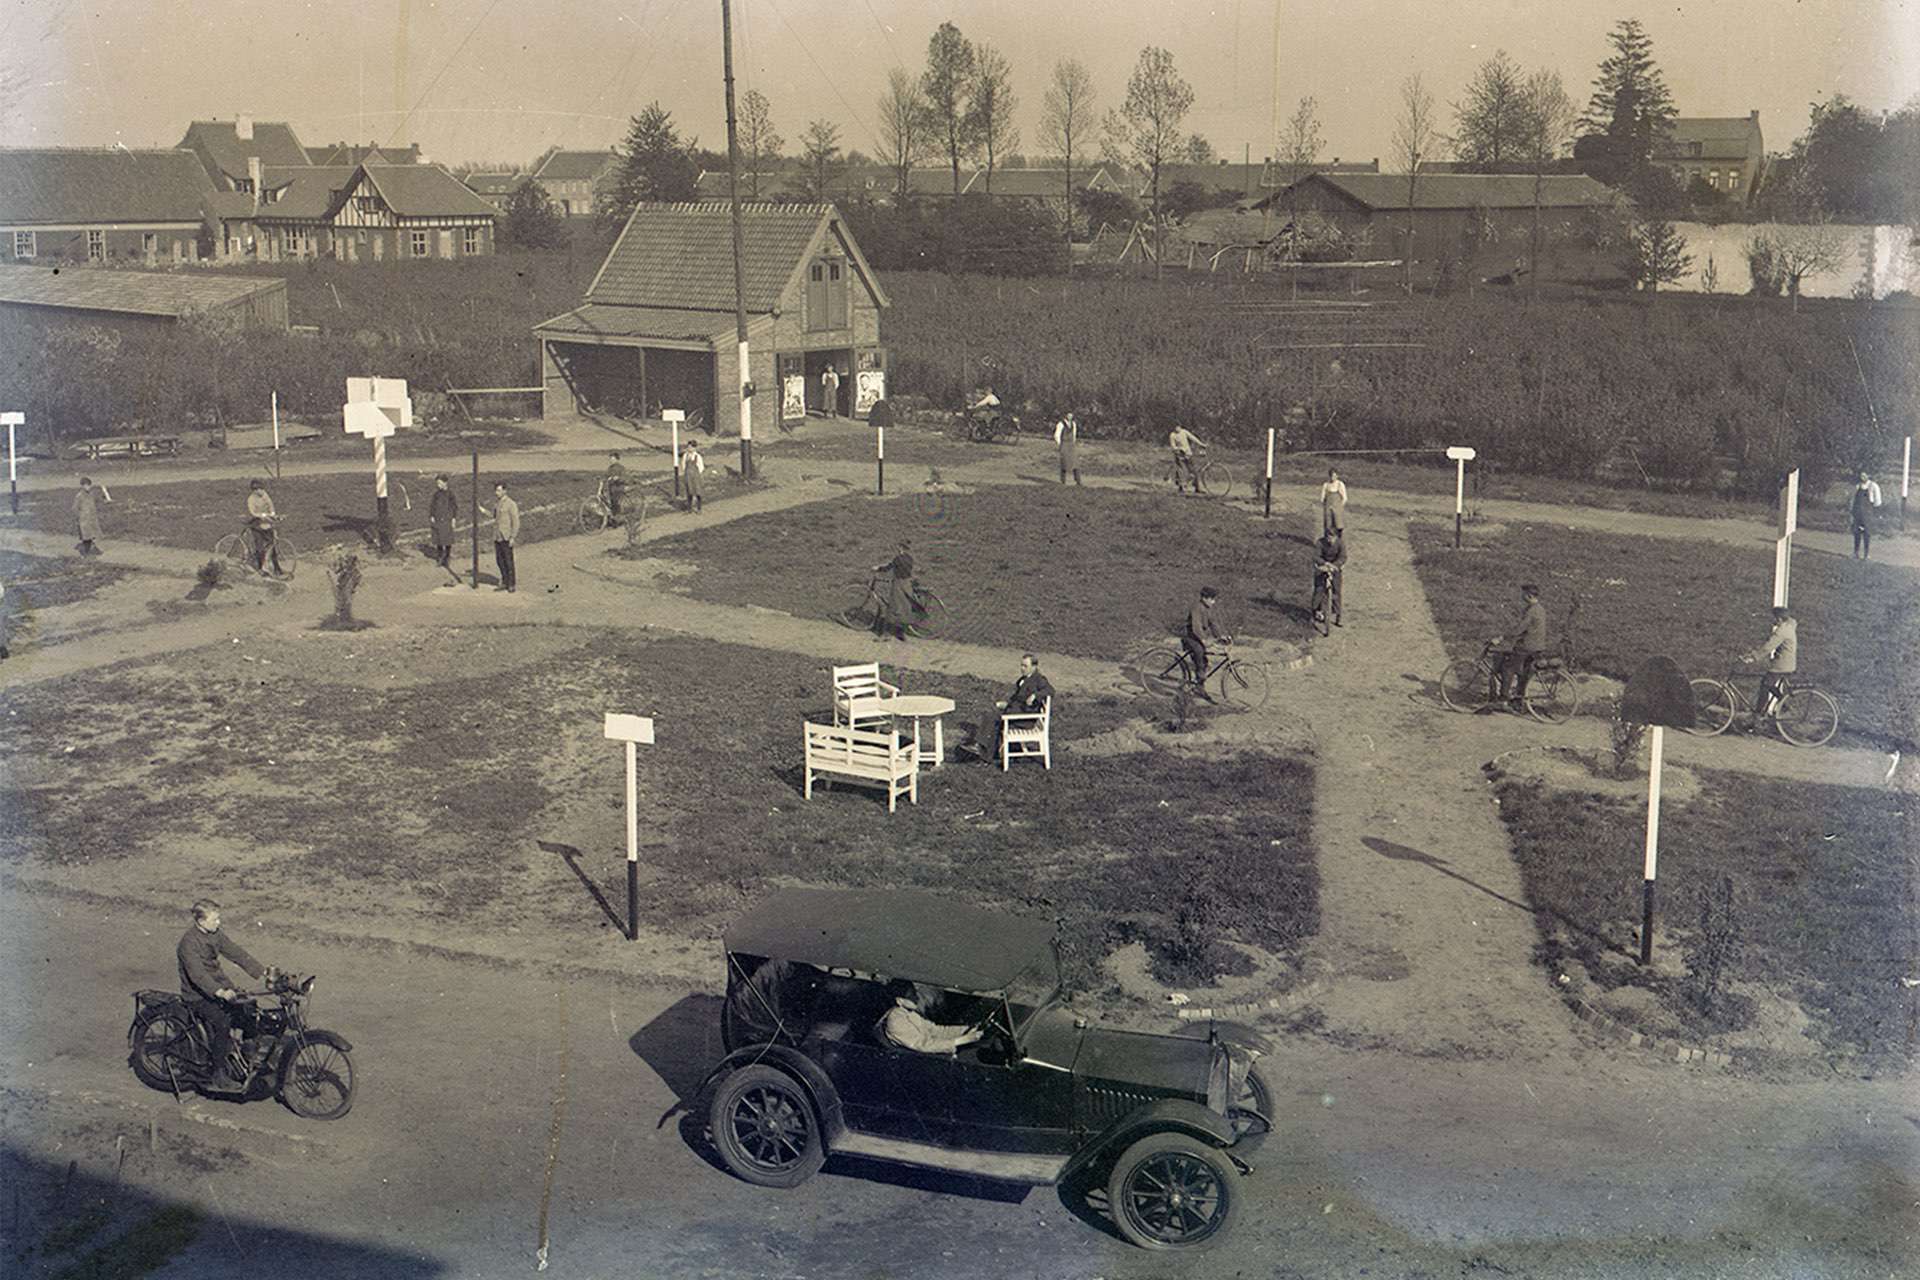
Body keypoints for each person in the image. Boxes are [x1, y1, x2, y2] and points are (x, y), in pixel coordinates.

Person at [177, 898, 270, 1088]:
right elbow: (198, 976)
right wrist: (220, 992)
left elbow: (234, 952)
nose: (218, 923)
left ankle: (247, 1056)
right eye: (215, 920)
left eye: (218, 919)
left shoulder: (215, 934)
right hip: (197, 995)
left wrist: (262, 972)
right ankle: (218, 1074)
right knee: (223, 1022)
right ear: (201, 922)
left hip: (220, 987)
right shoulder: (188, 943)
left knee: (250, 1009)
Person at [963, 653, 1055, 761]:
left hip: (1025, 719)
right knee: (993, 719)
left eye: (1025, 666)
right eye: (1021, 665)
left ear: (1034, 667)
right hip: (1016, 712)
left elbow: (1050, 691)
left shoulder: (1039, 679)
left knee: (991, 717)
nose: (1022, 669)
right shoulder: (1024, 679)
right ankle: (986, 755)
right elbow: (1018, 698)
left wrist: (1035, 695)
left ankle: (979, 746)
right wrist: (1007, 704)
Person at [878, 981, 984, 1056]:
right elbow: (923, 1045)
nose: (916, 998)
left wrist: (966, 1029)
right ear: (899, 1001)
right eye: (911, 996)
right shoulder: (896, 1022)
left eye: (914, 993)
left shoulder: (909, 1012)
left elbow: (935, 1030)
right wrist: (961, 1040)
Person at [1489, 583, 1549, 710]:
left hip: (1527, 646)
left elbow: (1520, 629)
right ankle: (1518, 700)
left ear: (1529, 595)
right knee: (1524, 673)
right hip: (1538, 646)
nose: (1521, 596)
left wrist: (1502, 638)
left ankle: (1503, 700)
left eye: (1523, 593)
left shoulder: (1532, 611)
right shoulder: (1540, 609)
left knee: (1507, 668)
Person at [1742, 605, 1797, 726]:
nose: (1773, 620)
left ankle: (1758, 715)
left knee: (1765, 685)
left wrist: (1753, 657)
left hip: (1782, 664)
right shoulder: (1789, 626)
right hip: (1787, 663)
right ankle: (1784, 705)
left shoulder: (1782, 631)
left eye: (1774, 618)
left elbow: (1768, 647)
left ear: (1779, 619)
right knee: (1769, 684)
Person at [1183, 586, 1230, 697]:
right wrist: (1203, 639)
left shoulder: (1207, 610)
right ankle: (1199, 684)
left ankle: (1199, 684)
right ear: (1204, 598)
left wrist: (1221, 636)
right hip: (1191, 637)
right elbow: (1196, 626)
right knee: (1199, 652)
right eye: (1212, 599)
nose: (1214, 602)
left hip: (1197, 637)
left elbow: (1213, 624)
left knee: (1204, 661)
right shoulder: (1196, 608)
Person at [871, 540, 914, 640]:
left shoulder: (898, 559)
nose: (897, 548)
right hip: (907, 584)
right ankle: (901, 633)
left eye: (898, 547)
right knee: (904, 608)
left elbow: (888, 567)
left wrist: (877, 568)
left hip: (898, 584)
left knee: (892, 608)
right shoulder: (910, 559)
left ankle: (886, 635)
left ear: (901, 548)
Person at [245, 479, 281, 575]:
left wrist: (273, 514)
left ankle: (277, 568)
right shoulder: (251, 500)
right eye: (259, 489)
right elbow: (253, 512)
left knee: (272, 546)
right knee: (260, 548)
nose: (261, 491)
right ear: (254, 491)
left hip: (266, 524)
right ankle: (260, 568)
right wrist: (264, 515)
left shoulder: (265, 495)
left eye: (262, 488)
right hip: (256, 525)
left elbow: (270, 505)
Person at [1313, 528, 1347, 627]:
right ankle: (1315, 612)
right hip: (1323, 566)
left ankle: (1338, 615)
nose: (1329, 540)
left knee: (1336, 591)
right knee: (1318, 590)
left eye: (1332, 537)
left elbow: (1343, 557)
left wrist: (1335, 565)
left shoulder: (1340, 544)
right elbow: (1316, 556)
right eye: (1328, 537)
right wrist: (1324, 563)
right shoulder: (1320, 542)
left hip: (1335, 568)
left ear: (1336, 537)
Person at [489, 482, 519, 592]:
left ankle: (511, 584)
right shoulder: (497, 504)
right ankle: (505, 581)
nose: (497, 493)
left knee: (508, 561)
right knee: (499, 560)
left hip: (506, 536)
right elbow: (494, 517)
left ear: (505, 491)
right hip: (497, 536)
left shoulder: (511, 504)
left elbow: (515, 521)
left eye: (499, 490)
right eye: (496, 491)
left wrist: (513, 536)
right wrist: (482, 510)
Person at [427, 474, 458, 574]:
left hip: (447, 519)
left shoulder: (450, 494)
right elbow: (432, 505)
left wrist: (453, 518)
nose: (438, 485)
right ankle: (440, 557)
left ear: (445, 483)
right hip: (438, 519)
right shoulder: (436, 494)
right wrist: (432, 515)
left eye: (440, 483)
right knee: (438, 539)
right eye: (437, 484)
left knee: (447, 539)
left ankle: (447, 557)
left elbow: (454, 507)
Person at [73, 476, 109, 556]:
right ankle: (86, 553)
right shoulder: (79, 496)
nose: (88, 487)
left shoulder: (91, 494)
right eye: (85, 485)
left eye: (89, 485)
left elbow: (98, 500)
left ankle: (91, 550)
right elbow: (75, 508)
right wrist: (79, 517)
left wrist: (104, 498)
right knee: (86, 537)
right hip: (84, 519)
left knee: (92, 535)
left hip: (92, 518)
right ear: (82, 486)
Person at [1849, 471, 1882, 559]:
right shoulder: (1857, 486)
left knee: (1867, 533)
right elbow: (1852, 500)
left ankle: (1866, 554)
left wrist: (1874, 512)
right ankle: (1855, 553)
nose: (1862, 477)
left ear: (1868, 475)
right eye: (1861, 475)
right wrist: (1852, 512)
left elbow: (1877, 501)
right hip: (1857, 513)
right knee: (1857, 532)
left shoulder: (1873, 486)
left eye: (1864, 475)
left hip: (1867, 513)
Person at [1167, 424, 1205, 493]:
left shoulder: (1184, 432)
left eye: (1178, 427)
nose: (1177, 428)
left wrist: (1201, 444)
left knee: (1194, 470)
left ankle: (1197, 487)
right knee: (1181, 471)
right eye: (1175, 427)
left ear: (1180, 427)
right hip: (1179, 455)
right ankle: (1181, 487)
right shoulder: (1172, 435)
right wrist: (1179, 449)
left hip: (1188, 454)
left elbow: (1192, 437)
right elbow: (1173, 446)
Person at [1052, 411, 1083, 486]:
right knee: (1064, 463)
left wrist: (1073, 442)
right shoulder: (1060, 424)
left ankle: (1078, 481)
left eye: (1071, 415)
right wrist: (1060, 444)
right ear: (1065, 415)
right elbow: (1056, 435)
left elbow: (1074, 434)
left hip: (1071, 444)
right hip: (1064, 444)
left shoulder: (1073, 424)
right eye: (1068, 415)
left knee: (1076, 463)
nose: (1070, 416)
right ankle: (1063, 481)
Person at [1320, 467, 1348, 535]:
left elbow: (1345, 498)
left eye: (1335, 476)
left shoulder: (1340, 484)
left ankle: (1339, 539)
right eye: (1332, 476)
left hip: (1337, 507)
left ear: (1337, 476)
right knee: (1328, 524)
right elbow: (1322, 497)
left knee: (1338, 524)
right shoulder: (1326, 485)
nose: (1333, 478)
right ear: (1329, 476)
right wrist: (1325, 505)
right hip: (1328, 507)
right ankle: (1328, 540)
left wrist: (1340, 507)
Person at [681, 440, 705, 513]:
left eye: (691, 447)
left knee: (698, 492)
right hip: (688, 475)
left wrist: (696, 474)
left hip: (696, 476)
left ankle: (699, 508)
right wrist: (685, 472)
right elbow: (683, 465)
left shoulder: (697, 456)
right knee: (689, 491)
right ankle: (689, 508)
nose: (689, 449)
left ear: (695, 448)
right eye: (688, 447)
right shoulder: (686, 455)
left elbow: (701, 467)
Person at [604, 452, 628, 519]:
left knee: (615, 502)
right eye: (610, 459)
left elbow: (625, 477)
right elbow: (606, 476)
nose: (611, 461)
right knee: (608, 500)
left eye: (613, 459)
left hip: (619, 487)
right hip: (611, 488)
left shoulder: (621, 468)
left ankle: (618, 517)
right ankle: (612, 516)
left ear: (617, 459)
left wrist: (618, 478)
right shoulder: (610, 468)